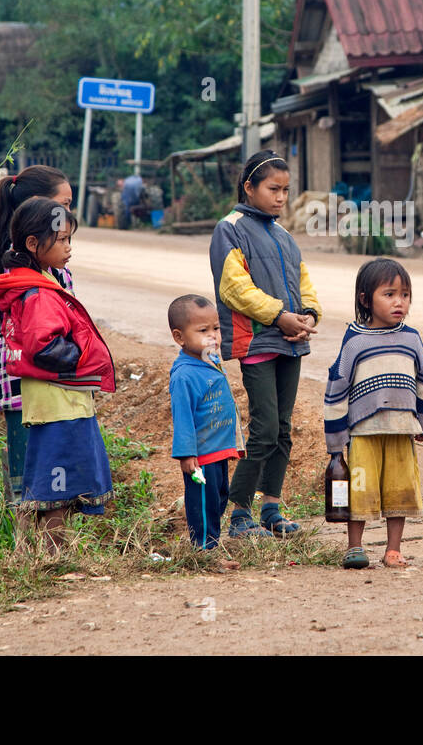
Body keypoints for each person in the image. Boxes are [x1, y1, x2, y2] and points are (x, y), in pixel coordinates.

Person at [0, 198, 114, 554]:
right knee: (58, 490)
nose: (69, 248)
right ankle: (54, 557)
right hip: (59, 400)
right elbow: (44, 347)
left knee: (46, 483)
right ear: (32, 244)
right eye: (62, 240)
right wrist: (82, 358)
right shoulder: (38, 292)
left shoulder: (34, 281)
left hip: (50, 399)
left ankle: (32, 554)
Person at [209, 149, 322, 538]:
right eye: (273, 188)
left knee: (284, 429)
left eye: (286, 190)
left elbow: (304, 283)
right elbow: (234, 288)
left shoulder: (284, 235)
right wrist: (279, 316)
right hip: (257, 342)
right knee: (265, 428)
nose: (280, 197)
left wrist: (309, 315)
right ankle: (240, 513)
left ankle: (271, 508)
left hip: (291, 341)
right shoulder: (230, 228)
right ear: (249, 187)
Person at [324, 258, 423, 570]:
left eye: (405, 295)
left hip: (401, 429)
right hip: (363, 432)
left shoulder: (412, 338)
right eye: (389, 294)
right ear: (365, 300)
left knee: (399, 489)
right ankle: (355, 547)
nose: (399, 302)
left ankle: (393, 550)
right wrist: (335, 440)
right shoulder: (355, 340)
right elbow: (337, 386)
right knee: (360, 489)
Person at [0, 165, 76, 510]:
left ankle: (43, 547)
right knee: (33, 488)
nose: (69, 213)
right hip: (30, 387)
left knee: (36, 481)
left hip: (34, 387)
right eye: (64, 204)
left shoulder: (42, 262)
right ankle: (34, 550)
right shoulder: (22, 271)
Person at [168, 294, 244, 563]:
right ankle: (203, 551)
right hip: (200, 457)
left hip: (219, 450)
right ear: (180, 337)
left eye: (216, 328)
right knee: (202, 502)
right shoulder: (184, 374)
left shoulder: (209, 360)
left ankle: (210, 543)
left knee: (219, 496)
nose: (213, 336)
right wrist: (186, 455)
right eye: (203, 331)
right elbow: (183, 417)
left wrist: (236, 442)